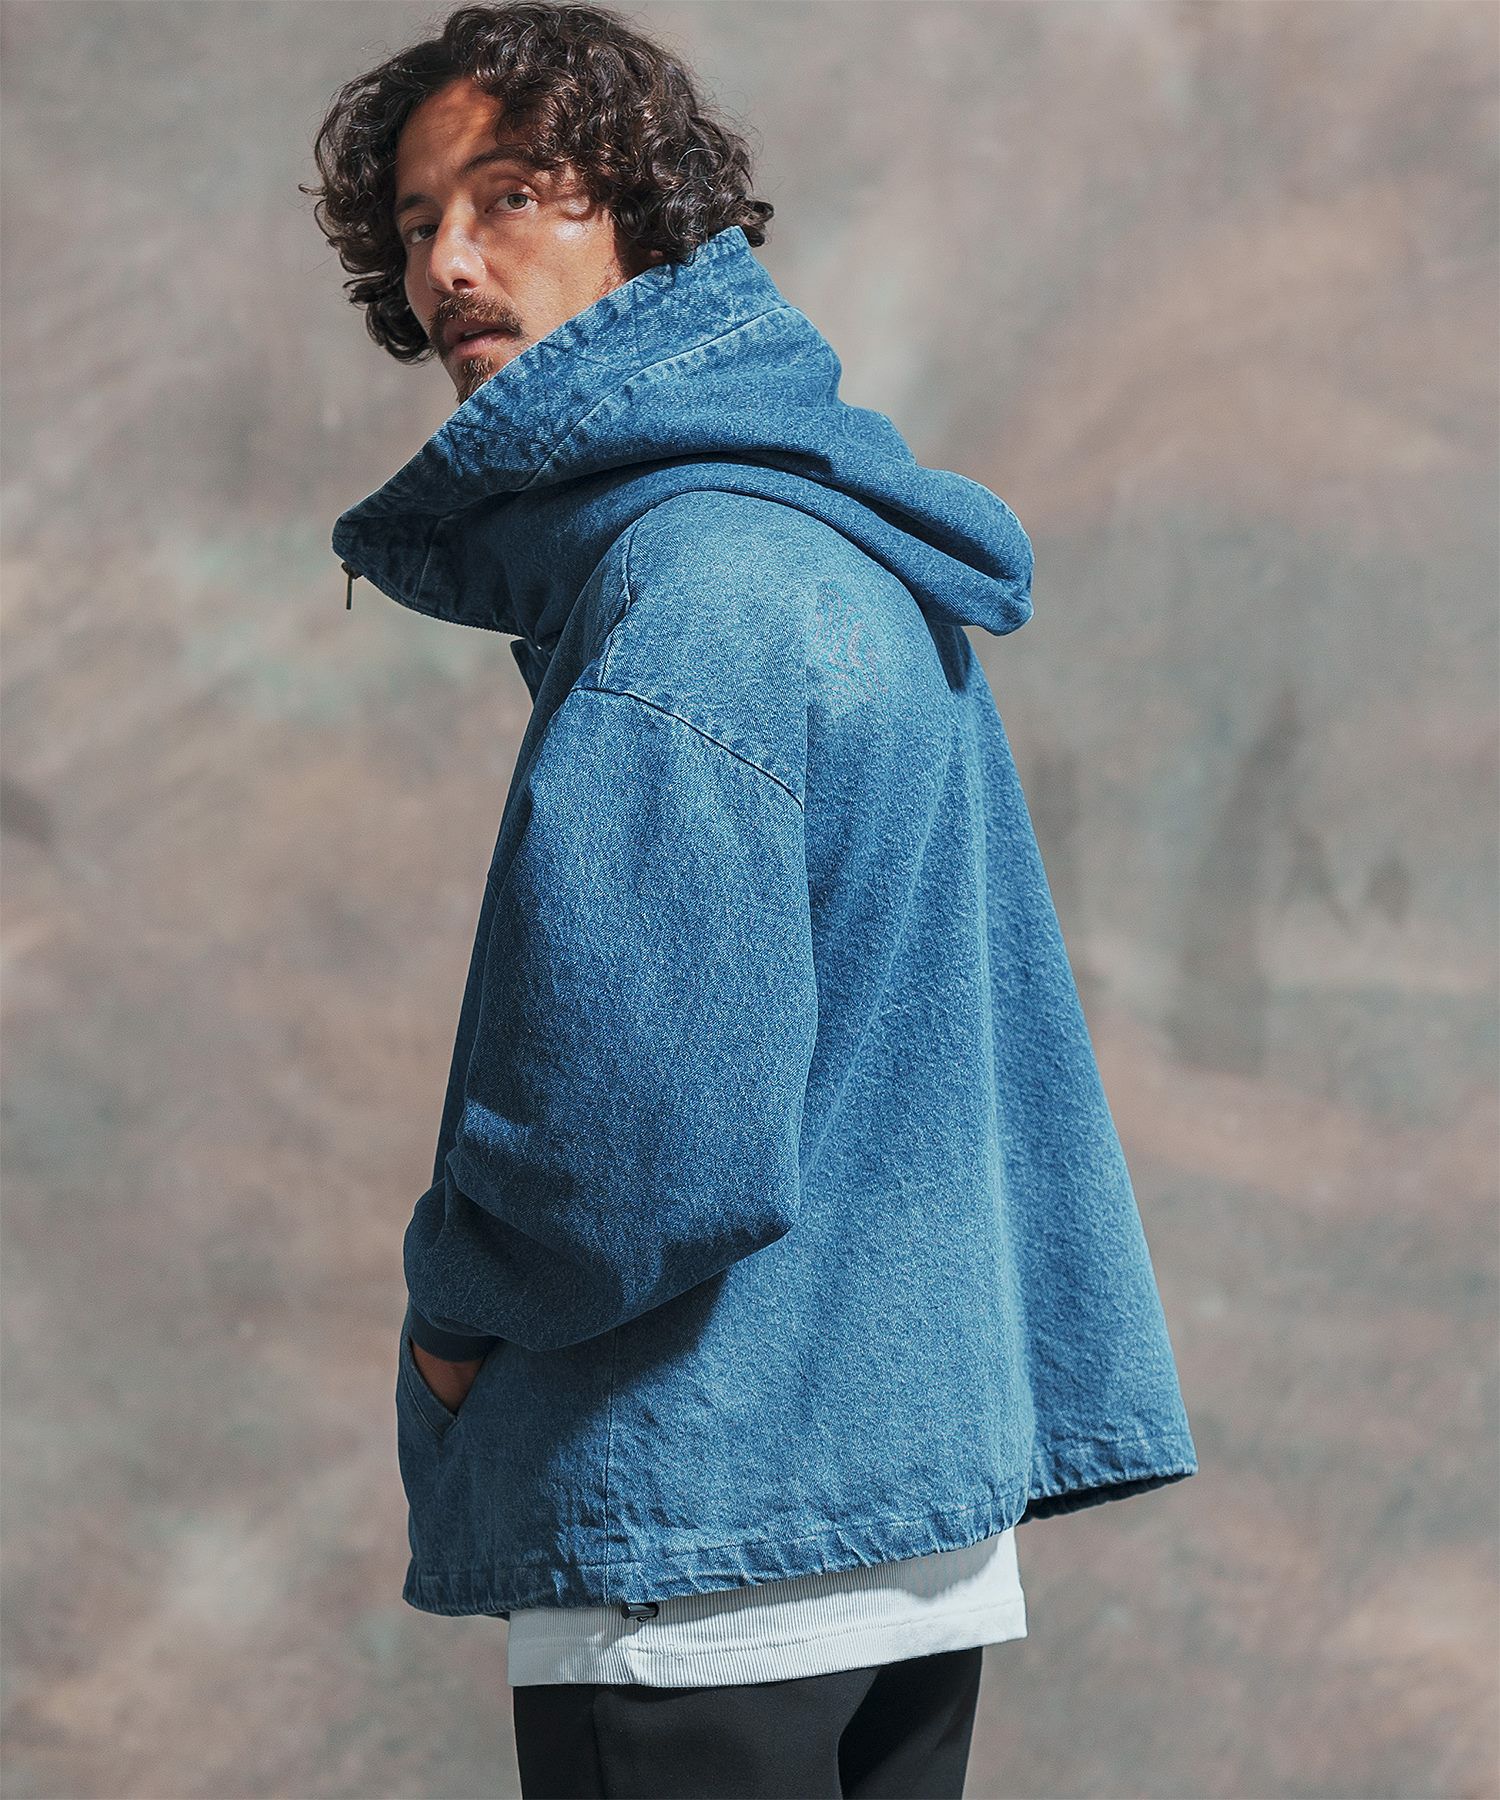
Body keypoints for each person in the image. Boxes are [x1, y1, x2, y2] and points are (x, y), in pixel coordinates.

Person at [308, 6, 1199, 1795]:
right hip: (894, 1519)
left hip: (703, 1545)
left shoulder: (692, 597)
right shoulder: (829, 542)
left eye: (513, 195)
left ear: (645, 219)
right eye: (415, 223)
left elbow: (625, 1152)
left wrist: (453, 1320)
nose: (450, 264)